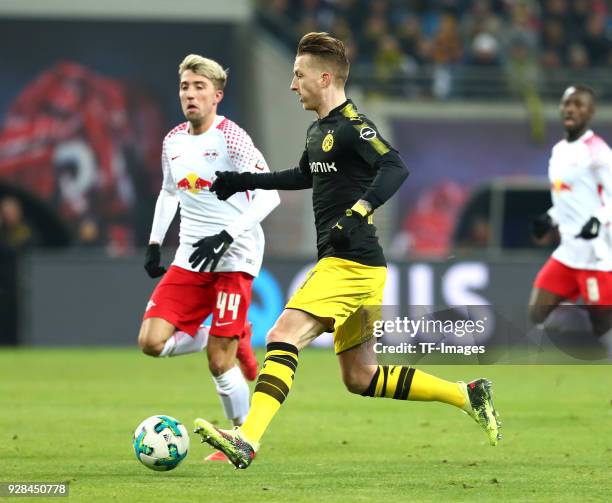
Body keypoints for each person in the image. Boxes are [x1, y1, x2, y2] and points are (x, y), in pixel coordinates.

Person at [193, 32, 502, 469]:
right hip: (362, 266)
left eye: (298, 75)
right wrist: (244, 180)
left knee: (282, 335)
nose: (292, 84)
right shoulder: (318, 129)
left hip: (349, 261)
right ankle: (467, 394)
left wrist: (357, 212)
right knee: (361, 376)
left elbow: (395, 165)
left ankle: (247, 438)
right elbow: (303, 175)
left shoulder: (354, 126)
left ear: (324, 77)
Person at [137, 54, 280, 461]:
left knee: (220, 363)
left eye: (199, 87)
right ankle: (234, 334)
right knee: (151, 343)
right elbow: (169, 192)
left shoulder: (231, 138)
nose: (190, 94)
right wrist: (153, 243)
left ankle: (241, 437)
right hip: (191, 257)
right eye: (185, 87)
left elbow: (270, 195)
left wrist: (226, 235)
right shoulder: (173, 141)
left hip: (235, 256)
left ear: (217, 95)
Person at [529, 85, 612, 356]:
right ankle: (535, 372)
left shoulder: (598, 151)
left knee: (603, 324)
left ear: (590, 112)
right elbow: (566, 198)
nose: (570, 108)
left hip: (596, 255)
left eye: (578, 104)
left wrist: (598, 220)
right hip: (567, 252)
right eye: (567, 103)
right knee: (537, 311)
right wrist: (549, 217)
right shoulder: (559, 150)